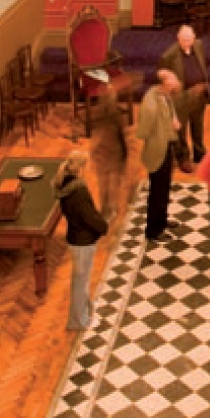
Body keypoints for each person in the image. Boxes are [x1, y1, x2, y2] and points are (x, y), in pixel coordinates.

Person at [53, 151, 109, 330]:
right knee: (81, 282)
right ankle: (79, 321)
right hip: (82, 241)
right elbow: (88, 217)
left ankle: (84, 312)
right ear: (81, 168)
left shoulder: (66, 185)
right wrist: (103, 226)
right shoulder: (79, 192)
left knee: (81, 279)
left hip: (76, 237)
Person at [136, 68, 182, 241]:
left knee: (164, 188)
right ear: (163, 84)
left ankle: (161, 221)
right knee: (157, 191)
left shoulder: (164, 95)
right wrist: (166, 127)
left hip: (166, 146)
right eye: (171, 81)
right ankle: (153, 231)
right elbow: (144, 131)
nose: (174, 84)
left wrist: (173, 120)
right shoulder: (151, 103)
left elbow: (170, 109)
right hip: (157, 150)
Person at [158, 25, 209, 171]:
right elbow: (163, 78)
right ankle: (183, 157)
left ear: (194, 38)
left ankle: (199, 153)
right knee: (181, 129)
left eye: (189, 39)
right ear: (178, 39)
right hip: (181, 98)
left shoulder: (198, 46)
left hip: (199, 94)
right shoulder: (169, 56)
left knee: (198, 126)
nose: (187, 42)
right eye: (184, 40)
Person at [90, 85, 128, 220]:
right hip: (112, 152)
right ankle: (111, 208)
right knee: (112, 183)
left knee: (103, 183)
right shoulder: (116, 116)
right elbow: (121, 136)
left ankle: (105, 209)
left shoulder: (97, 114)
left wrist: (94, 151)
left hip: (102, 152)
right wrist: (125, 154)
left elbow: (95, 135)